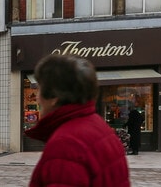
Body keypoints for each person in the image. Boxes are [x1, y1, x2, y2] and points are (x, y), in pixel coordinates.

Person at [25, 54, 130, 187]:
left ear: (54, 97)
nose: (37, 98)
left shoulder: (66, 144)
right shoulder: (99, 127)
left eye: (39, 89)